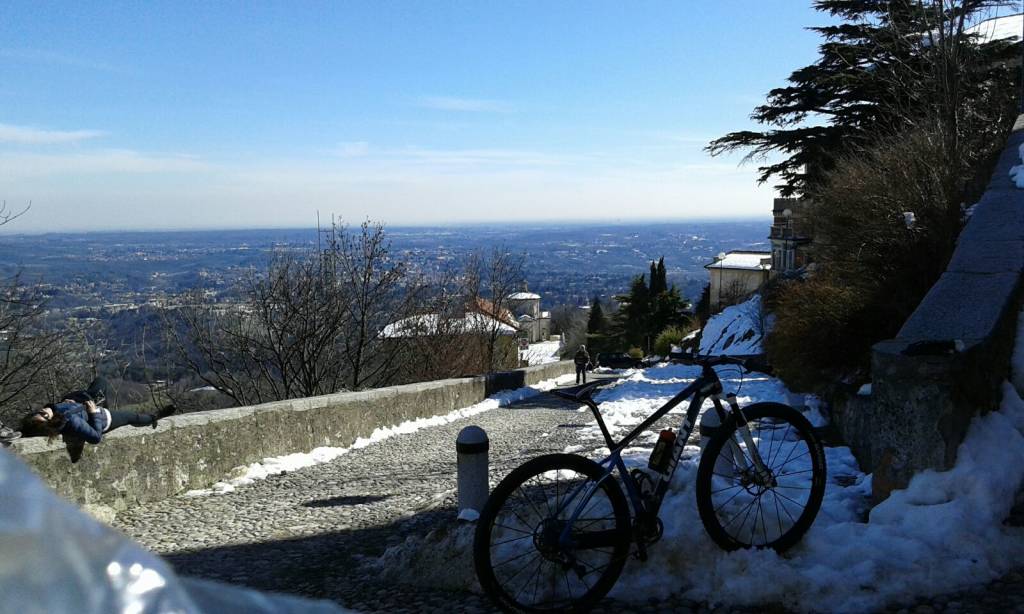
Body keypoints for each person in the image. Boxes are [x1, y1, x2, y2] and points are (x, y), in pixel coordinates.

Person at [20, 377, 176, 463]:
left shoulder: (56, 412)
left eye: (39, 411)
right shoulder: (72, 422)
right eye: (44, 414)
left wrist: (68, 402)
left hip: (87, 406)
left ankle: (101, 401)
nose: (44, 410)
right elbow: (95, 437)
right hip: (103, 418)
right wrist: (94, 413)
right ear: (50, 423)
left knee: (100, 381)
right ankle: (154, 418)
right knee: (131, 417)